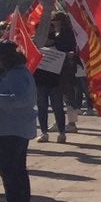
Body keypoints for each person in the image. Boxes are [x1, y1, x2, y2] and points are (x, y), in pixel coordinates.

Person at [0, 41, 36, 202]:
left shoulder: (18, 75)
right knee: (15, 170)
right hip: (7, 128)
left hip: (13, 129)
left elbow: (22, 100)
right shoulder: (10, 74)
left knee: (10, 170)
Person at [33, 13, 74, 141]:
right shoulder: (36, 44)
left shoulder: (61, 42)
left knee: (57, 106)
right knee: (42, 107)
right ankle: (44, 132)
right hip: (40, 80)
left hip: (56, 80)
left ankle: (62, 133)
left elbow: (69, 49)